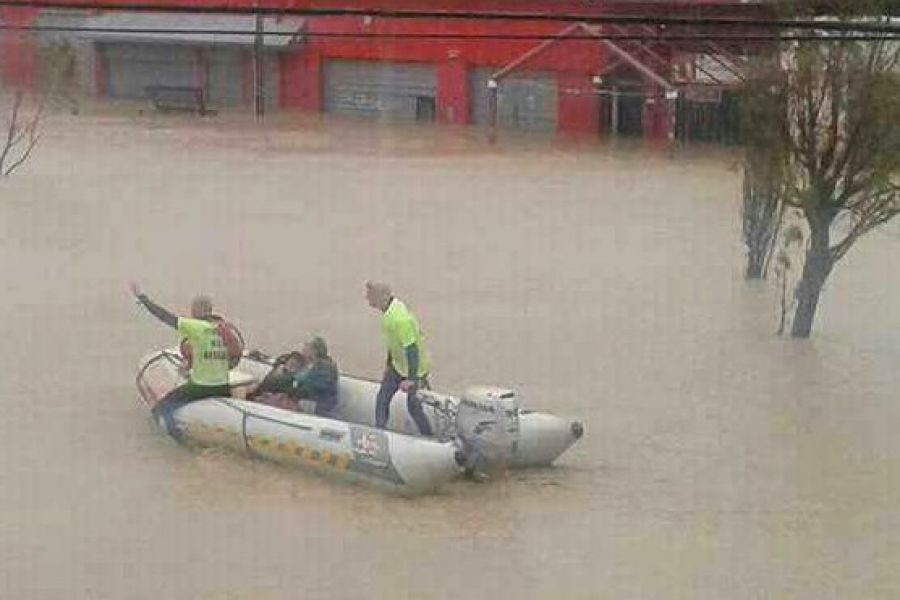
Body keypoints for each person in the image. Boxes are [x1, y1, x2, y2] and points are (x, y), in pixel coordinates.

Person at [129, 282, 233, 441]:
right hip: (224, 387)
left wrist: (142, 298)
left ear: (197, 311)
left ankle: (178, 439)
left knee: (162, 408)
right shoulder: (223, 328)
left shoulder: (195, 326)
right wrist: (190, 364)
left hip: (203, 387)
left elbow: (164, 316)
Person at [365, 281, 433, 436]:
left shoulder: (399, 319)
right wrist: (389, 365)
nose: (367, 298)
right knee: (382, 398)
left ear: (382, 296)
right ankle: (380, 433)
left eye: (370, 295)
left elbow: (411, 349)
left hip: (415, 369)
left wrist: (412, 378)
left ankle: (429, 436)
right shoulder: (388, 312)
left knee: (413, 405)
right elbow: (393, 343)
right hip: (397, 366)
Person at [248, 336, 339, 416]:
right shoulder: (314, 364)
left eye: (305, 347)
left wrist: (287, 382)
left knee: (275, 389)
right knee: (274, 386)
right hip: (308, 399)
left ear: (313, 351)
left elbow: (303, 384)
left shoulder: (323, 368)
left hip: (317, 406)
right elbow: (298, 381)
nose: (303, 349)